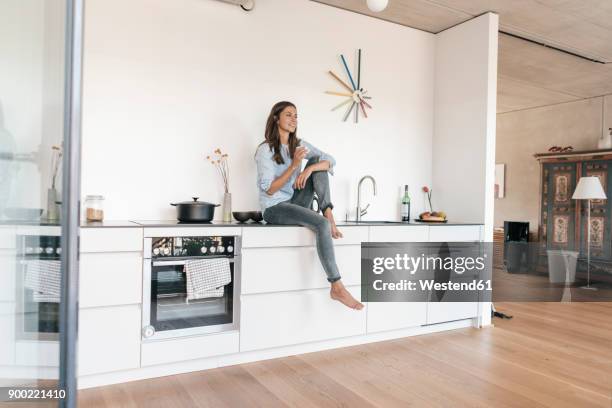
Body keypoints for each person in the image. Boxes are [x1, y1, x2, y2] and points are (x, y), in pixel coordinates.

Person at [254, 101, 364, 310]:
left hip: (295, 202)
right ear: (276, 118)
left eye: (296, 115)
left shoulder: (298, 144)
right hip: (275, 208)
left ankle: (329, 213)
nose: (294, 119)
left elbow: (330, 160)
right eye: (288, 115)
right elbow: (269, 190)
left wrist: (307, 170)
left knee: (317, 164)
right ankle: (337, 286)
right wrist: (295, 166)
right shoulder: (265, 150)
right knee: (321, 225)